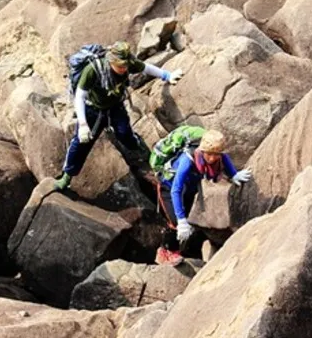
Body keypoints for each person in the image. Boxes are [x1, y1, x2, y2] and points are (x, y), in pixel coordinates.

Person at [54, 41, 184, 191]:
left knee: (125, 134)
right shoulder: (93, 70)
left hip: (115, 106)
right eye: (120, 66)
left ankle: (144, 154)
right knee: (81, 143)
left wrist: (167, 75)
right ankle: (67, 176)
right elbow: (79, 96)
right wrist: (83, 124)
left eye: (126, 66)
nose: (124, 69)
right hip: (93, 109)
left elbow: (145, 67)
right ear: (111, 61)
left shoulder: (128, 64)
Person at [154, 129, 252, 266]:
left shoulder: (219, 156)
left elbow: (224, 158)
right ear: (203, 151)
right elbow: (176, 190)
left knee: (187, 220)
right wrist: (181, 221)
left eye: (215, 154)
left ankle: (179, 249)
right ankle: (165, 252)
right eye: (209, 154)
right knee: (175, 221)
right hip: (169, 188)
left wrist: (234, 174)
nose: (212, 158)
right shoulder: (187, 161)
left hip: (189, 189)